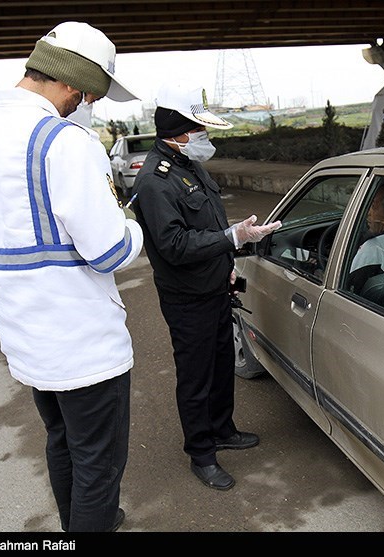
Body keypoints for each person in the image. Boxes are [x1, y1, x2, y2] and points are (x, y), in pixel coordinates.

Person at [0, 21, 143, 532]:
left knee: (62, 442)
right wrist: (132, 226)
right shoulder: (66, 142)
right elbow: (110, 252)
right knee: (98, 465)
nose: (87, 103)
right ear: (70, 81)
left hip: (25, 343)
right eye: (90, 93)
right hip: (87, 350)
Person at [132, 83, 281, 491]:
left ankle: (222, 429)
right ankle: (201, 453)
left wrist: (227, 261)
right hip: (187, 298)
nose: (205, 137)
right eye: (198, 130)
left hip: (215, 286)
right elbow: (175, 245)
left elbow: (210, 224)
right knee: (196, 377)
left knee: (220, 365)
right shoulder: (155, 181)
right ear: (178, 133)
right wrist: (233, 237)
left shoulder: (189, 165)